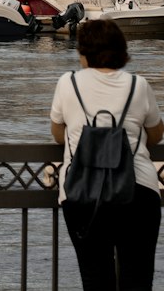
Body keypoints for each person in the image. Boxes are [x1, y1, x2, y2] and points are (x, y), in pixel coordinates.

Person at [51, 17, 164, 290]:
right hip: (137, 190)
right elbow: (156, 133)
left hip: (83, 193)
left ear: (83, 51)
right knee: (137, 279)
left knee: (95, 277)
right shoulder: (138, 85)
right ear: (121, 50)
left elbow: (57, 133)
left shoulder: (68, 84)